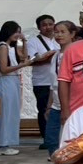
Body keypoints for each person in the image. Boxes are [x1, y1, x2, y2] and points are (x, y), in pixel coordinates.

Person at [36, 20, 78, 164]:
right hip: (56, 104)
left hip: (71, 103)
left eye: (63, 32)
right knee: (51, 139)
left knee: (70, 140)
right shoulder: (55, 56)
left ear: (72, 34)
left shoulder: (75, 54)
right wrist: (49, 105)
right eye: (57, 32)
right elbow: (54, 84)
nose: (59, 35)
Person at [0, 21, 28, 156]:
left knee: (12, 112)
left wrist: (24, 41)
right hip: (6, 81)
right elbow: (4, 69)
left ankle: (6, 142)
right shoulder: (2, 46)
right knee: (6, 112)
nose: (18, 34)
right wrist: (22, 66)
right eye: (16, 32)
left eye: (19, 32)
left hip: (12, 81)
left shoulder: (10, 47)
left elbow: (24, 57)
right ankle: (2, 144)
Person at [25, 14, 60, 148]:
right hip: (42, 81)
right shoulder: (33, 42)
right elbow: (31, 61)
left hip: (58, 80)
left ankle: (58, 137)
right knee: (44, 109)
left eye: (50, 24)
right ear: (39, 28)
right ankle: (47, 138)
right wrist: (49, 56)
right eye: (44, 25)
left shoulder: (58, 40)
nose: (48, 27)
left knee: (58, 109)